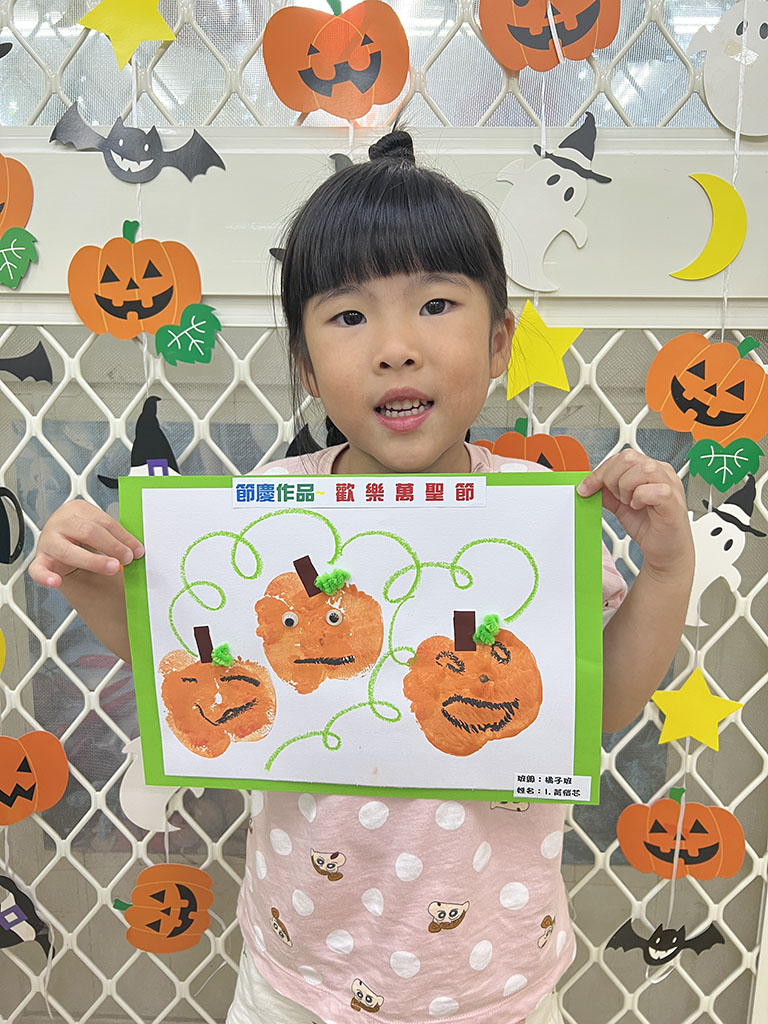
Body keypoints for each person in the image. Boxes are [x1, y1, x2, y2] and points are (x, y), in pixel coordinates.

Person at [30, 129, 694, 1024]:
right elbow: (184, 661)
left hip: (493, 979)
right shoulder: (268, 511)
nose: (395, 347)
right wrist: (88, 576)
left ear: (500, 341)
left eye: (436, 304)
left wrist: (666, 567)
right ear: (307, 365)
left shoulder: (540, 515)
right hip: (296, 972)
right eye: (348, 316)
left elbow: (601, 705)